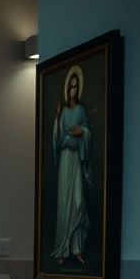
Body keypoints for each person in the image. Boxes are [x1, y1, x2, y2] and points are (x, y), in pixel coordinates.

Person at [51, 66, 91, 266]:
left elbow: (86, 131)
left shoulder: (81, 110)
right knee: (64, 203)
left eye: (76, 87)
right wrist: (58, 118)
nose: (73, 91)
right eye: (71, 87)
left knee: (77, 202)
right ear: (67, 90)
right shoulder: (65, 112)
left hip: (76, 158)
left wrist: (81, 132)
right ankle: (63, 249)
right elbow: (57, 137)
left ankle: (77, 248)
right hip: (66, 159)